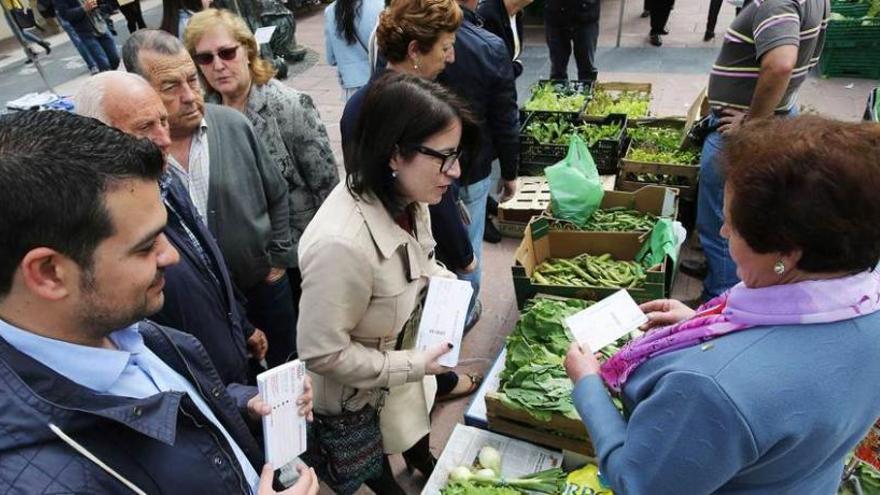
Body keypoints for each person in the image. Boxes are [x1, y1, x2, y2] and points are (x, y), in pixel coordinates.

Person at [0, 109, 318, 495]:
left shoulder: (116, 324)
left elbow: (177, 409)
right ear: (49, 273)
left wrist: (245, 404)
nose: (171, 256)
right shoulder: (34, 479)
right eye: (146, 245)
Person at [564, 116, 880, 494]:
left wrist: (588, 386)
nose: (723, 231)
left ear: (786, 254)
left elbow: (639, 484)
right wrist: (701, 324)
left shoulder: (711, 388)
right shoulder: (865, 301)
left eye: (732, 223)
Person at [298, 72, 479, 494]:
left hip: (401, 367)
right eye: (444, 157)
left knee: (413, 427)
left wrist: (448, 287)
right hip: (359, 396)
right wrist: (413, 365)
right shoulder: (340, 245)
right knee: (371, 464)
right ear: (396, 154)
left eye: (457, 156)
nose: (454, 172)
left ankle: (420, 458)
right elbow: (322, 353)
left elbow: (424, 259)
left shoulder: (410, 196)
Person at [74, 71, 269, 389]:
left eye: (162, 121)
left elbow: (207, 260)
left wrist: (242, 326)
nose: (164, 138)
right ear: (99, 135)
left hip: (231, 367)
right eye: (145, 128)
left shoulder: (164, 178)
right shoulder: (100, 228)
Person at [122, 29, 299, 368]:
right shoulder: (140, 159)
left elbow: (278, 195)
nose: (190, 96)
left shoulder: (234, 125)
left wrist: (276, 262)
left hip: (266, 289)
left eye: (192, 79)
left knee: (287, 371)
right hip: (208, 311)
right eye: (171, 87)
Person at [341, 0, 483, 403]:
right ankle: (433, 387)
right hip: (405, 251)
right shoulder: (392, 109)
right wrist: (461, 252)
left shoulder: (371, 100)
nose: (451, 57)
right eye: (444, 48)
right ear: (416, 52)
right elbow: (425, 195)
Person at [184, 8, 340, 323]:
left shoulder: (289, 106)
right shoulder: (206, 114)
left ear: (248, 49)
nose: (218, 65)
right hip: (241, 270)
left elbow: (327, 190)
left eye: (227, 52)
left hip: (300, 262)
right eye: (205, 58)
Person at [695, 0, 828, 302]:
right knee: (737, 219)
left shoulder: (775, 2)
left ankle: (720, 300)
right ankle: (719, 275)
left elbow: (780, 64)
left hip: (744, 130)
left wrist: (752, 125)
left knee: (726, 222)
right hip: (773, 118)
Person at [440, 0, 519, 327]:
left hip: (425, 169)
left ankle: (441, 315)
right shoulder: (488, 45)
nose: (448, 55)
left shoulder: (408, 41)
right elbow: (504, 116)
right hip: (471, 164)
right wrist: (511, 171)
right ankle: (465, 313)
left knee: (438, 243)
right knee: (468, 246)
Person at [324, 0, 384, 100]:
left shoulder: (330, 11)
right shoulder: (379, 5)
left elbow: (331, 58)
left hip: (351, 86)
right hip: (379, 81)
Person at [53, 0, 119, 70]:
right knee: (104, 64)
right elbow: (65, 15)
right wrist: (83, 8)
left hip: (101, 25)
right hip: (86, 32)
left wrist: (103, 7)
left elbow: (105, 4)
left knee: (115, 59)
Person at [542, 0, 599, 79]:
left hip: (586, 14)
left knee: (587, 68)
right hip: (555, 15)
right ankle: (558, 87)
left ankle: (587, 87)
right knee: (558, 69)